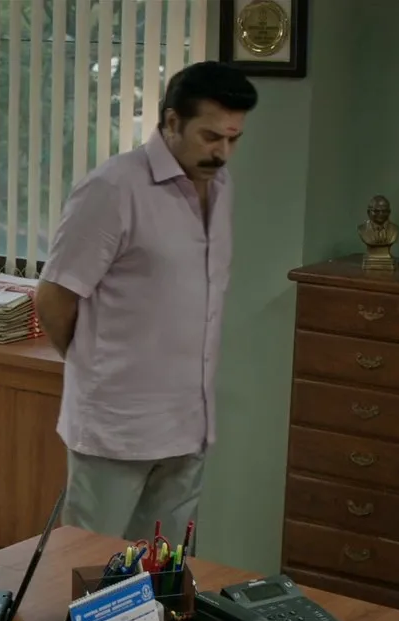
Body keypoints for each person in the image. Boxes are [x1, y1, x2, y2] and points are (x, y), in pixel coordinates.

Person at [33, 61, 258, 543]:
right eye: (210, 137)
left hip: (189, 423)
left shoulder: (221, 188)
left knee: (163, 569)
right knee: (91, 566)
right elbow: (54, 297)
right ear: (172, 121)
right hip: (117, 425)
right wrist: (94, 368)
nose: (222, 153)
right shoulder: (114, 188)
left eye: (233, 139)